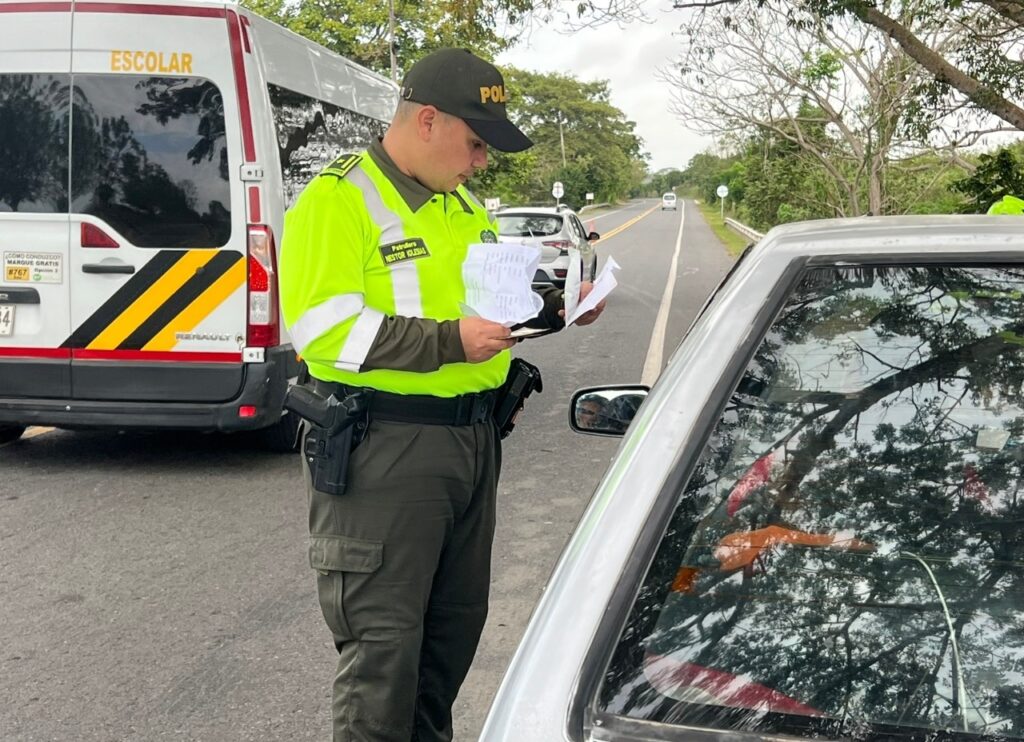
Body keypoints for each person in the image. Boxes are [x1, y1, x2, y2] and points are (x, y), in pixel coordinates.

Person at [278, 48, 605, 742]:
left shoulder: (461, 207)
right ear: (427, 120)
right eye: (476, 141)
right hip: (386, 451)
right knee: (383, 659)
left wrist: (557, 305)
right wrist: (450, 344)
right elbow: (321, 329)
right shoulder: (339, 199)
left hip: (472, 442)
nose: (482, 161)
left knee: (448, 645)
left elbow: (487, 302)